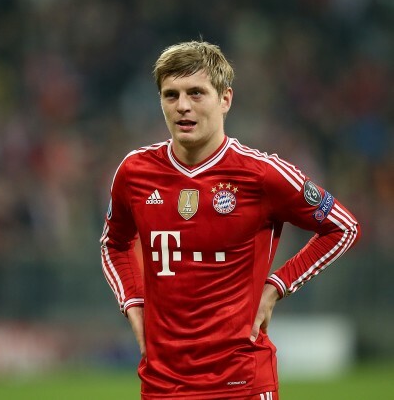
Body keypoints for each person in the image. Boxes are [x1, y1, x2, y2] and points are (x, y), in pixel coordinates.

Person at [100, 40, 360, 399]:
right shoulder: (134, 172)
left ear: (225, 99)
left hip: (242, 381)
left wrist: (276, 286)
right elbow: (113, 244)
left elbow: (343, 226)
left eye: (196, 93)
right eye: (171, 95)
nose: (183, 106)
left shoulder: (262, 174)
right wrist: (133, 302)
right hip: (163, 383)